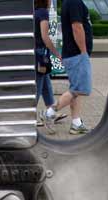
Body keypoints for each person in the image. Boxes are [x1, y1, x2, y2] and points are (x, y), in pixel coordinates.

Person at [45, 0, 93, 135]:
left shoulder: (69, 2)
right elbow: (77, 27)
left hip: (72, 54)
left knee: (76, 89)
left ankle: (76, 123)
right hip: (77, 54)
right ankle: (49, 112)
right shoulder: (74, 2)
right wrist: (83, 52)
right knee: (80, 89)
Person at [34, 0, 66, 132]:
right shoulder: (43, 13)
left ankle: (50, 110)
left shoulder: (35, 12)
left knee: (46, 84)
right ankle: (28, 116)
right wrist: (57, 54)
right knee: (38, 87)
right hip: (41, 54)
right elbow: (45, 37)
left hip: (36, 51)